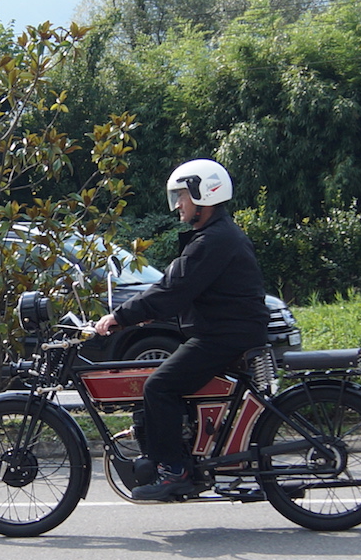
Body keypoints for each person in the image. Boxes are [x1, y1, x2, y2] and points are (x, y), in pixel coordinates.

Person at [94, 158, 270, 501]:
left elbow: (173, 289)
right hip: (227, 331)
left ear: (205, 194)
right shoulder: (217, 236)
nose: (177, 205)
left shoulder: (212, 240)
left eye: (182, 197)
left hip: (224, 336)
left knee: (159, 386)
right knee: (170, 382)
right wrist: (146, 313)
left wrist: (119, 317)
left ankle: (174, 471)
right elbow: (183, 291)